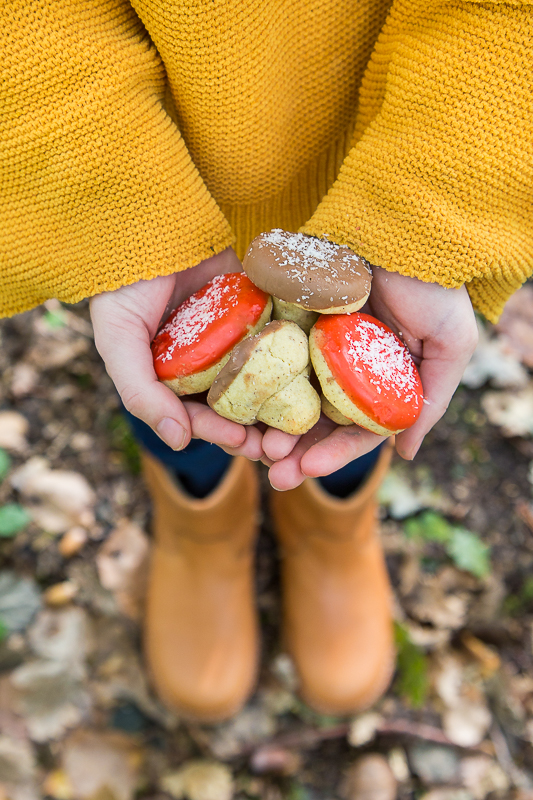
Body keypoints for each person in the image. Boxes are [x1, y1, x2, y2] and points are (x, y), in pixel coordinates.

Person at [1, 0, 531, 721]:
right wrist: (110, 209)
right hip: (153, 164)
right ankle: (201, 518)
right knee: (161, 367)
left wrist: (432, 211)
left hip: (380, 156)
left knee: (355, 390)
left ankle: (331, 518)